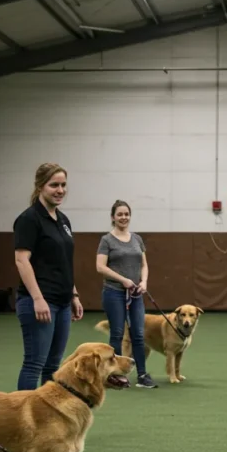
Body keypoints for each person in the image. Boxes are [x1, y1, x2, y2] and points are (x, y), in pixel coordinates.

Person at [13, 162, 83, 391]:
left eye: (63, 185)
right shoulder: (29, 219)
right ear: (40, 186)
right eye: (54, 185)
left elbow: (63, 262)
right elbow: (22, 260)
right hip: (39, 303)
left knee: (53, 366)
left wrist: (73, 295)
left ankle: (47, 421)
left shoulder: (63, 220)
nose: (60, 190)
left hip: (62, 303)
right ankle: (23, 422)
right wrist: (37, 298)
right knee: (35, 363)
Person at [96, 200, 156, 389]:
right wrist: (123, 280)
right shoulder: (107, 240)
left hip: (136, 294)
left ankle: (142, 374)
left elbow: (144, 264)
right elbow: (100, 267)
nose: (124, 217)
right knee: (117, 334)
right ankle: (114, 375)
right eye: (120, 214)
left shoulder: (137, 239)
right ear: (113, 217)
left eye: (126, 214)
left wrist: (144, 282)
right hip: (114, 293)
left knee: (138, 335)